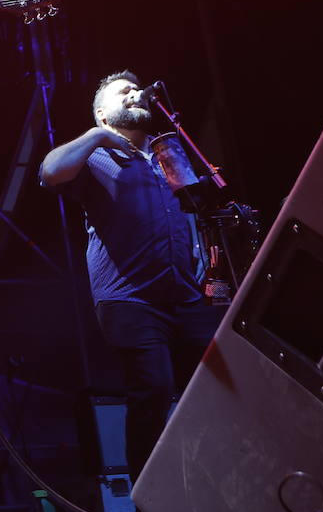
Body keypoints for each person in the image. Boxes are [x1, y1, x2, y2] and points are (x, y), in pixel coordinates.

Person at [38, 71, 222, 483]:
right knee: (153, 390)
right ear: (104, 114)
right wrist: (97, 137)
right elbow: (50, 171)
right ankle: (148, 507)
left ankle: (214, 488)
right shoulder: (97, 155)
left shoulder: (167, 156)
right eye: (123, 92)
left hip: (188, 296)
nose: (134, 94)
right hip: (130, 299)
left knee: (216, 390)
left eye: (135, 90)